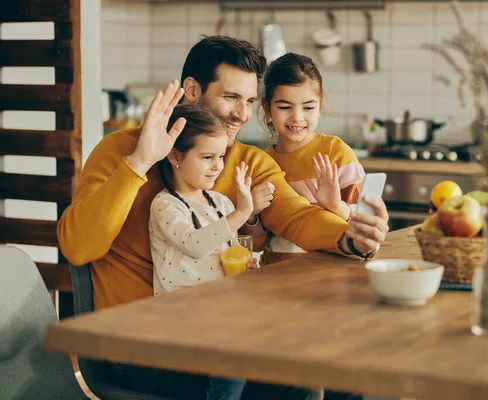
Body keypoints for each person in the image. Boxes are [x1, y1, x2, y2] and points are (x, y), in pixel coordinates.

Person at [57, 35, 389, 399]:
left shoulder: (249, 161)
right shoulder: (120, 150)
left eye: (248, 101)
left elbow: (297, 215)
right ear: (192, 90)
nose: (242, 114)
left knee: (336, 371)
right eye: (230, 97)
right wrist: (139, 161)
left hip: (212, 335)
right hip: (136, 347)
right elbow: (78, 247)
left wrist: (349, 238)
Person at [150, 104, 258, 400]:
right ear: (175, 156)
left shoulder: (220, 203)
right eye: (207, 157)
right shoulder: (166, 206)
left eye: (221, 156)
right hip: (182, 317)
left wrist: (246, 267)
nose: (217, 166)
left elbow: (230, 254)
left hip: (221, 312)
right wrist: (243, 212)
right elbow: (194, 244)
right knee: (232, 359)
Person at [259, 52, 366, 265]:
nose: (297, 117)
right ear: (266, 107)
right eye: (284, 107)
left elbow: (365, 226)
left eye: (308, 107)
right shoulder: (263, 163)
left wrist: (336, 206)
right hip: (276, 271)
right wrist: (251, 214)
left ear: (320, 106)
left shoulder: (337, 152)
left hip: (331, 268)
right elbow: (258, 241)